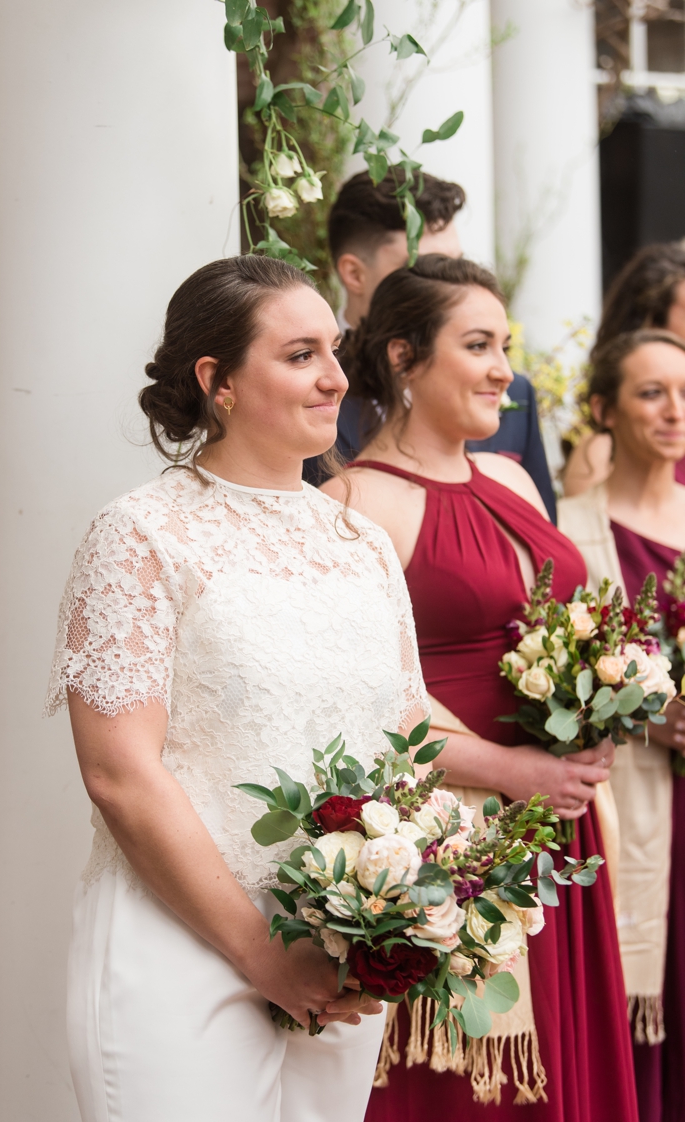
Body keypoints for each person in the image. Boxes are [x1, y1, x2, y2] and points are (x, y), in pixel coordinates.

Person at [50, 254, 409, 1122]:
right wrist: (263, 955)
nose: (334, 378)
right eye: (298, 355)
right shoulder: (141, 534)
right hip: (182, 948)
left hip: (340, 953)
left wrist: (394, 915)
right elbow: (120, 774)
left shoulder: (362, 543)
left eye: (336, 349)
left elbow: (403, 750)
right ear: (218, 380)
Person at [323, 255, 636, 1119]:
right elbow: (360, 709)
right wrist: (513, 772)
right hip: (459, 841)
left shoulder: (510, 477)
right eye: (477, 344)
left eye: (505, 344)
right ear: (402, 358)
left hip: (563, 829)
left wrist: (603, 703)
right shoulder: (354, 505)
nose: (504, 368)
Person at [555, 330, 685, 1122]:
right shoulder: (567, 531)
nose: (676, 411)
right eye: (651, 392)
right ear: (601, 408)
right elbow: (542, 683)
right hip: (633, 811)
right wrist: (644, 709)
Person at [311, 171, 556, 519]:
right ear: (354, 274)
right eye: (426, 266)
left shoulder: (514, 392)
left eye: (454, 263)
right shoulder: (308, 392)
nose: (448, 282)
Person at [562, 243, 685, 498]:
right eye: (652, 392)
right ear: (651, 323)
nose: (674, 410)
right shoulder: (601, 450)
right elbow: (590, 531)